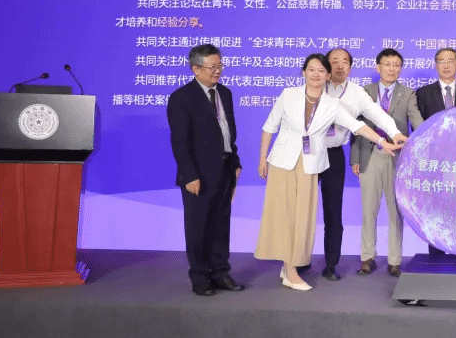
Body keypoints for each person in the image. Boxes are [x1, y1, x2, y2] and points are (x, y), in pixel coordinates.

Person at [254, 54, 401, 291]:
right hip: (283, 161)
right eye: (312, 70)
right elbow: (269, 127)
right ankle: (290, 268)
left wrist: (385, 140)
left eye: (321, 71)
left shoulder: (334, 104)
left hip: (315, 161)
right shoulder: (288, 95)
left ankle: (307, 266)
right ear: (304, 72)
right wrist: (262, 159)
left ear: (328, 75)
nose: (316, 74)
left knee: (305, 217)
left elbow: (359, 125)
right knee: (283, 215)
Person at [318, 48, 406, 281]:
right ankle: (295, 262)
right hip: (306, 153)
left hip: (333, 154)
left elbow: (375, 115)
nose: (339, 66)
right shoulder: (315, 86)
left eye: (344, 62)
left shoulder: (356, 92)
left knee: (333, 213)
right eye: (334, 61)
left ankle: (331, 265)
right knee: (302, 211)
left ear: (350, 66)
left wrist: (394, 133)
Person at [166, 44, 244, 296]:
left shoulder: (225, 93)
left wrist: (235, 161)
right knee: (198, 227)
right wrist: (189, 175)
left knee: (221, 225)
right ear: (195, 69)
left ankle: (220, 273)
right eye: (212, 67)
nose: (218, 71)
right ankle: (200, 277)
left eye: (220, 65)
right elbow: (179, 142)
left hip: (225, 168)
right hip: (198, 174)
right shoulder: (181, 98)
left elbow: (228, 133)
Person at [350, 48, 424, 276]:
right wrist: (355, 157)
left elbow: (416, 121)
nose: (392, 69)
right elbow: (356, 125)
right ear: (378, 67)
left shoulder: (408, 94)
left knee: (395, 211)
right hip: (369, 154)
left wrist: (425, 137)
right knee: (368, 210)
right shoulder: (364, 92)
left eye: (396, 65)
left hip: (397, 157)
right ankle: (367, 257)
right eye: (387, 64)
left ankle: (394, 261)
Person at [415, 47, 456, 255]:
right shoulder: (423, 93)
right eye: (441, 61)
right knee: (435, 209)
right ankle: (436, 253)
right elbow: (419, 129)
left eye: (450, 60)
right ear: (436, 65)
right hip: (434, 163)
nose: (446, 65)